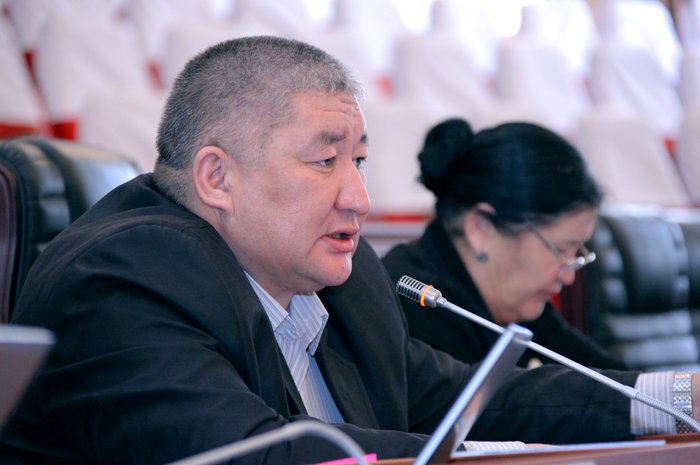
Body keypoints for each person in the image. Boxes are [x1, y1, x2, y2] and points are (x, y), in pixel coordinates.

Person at [0, 36, 696, 465]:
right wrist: (504, 460)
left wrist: (677, 396)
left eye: (358, 160)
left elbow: (475, 398)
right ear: (217, 178)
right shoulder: (125, 278)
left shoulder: (347, 278)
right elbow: (257, 455)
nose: (359, 197)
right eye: (324, 161)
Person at [382, 118, 627, 370]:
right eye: (560, 249)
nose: (569, 276)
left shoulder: (518, 303)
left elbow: (610, 376)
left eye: (577, 252)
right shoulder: (417, 305)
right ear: (481, 229)